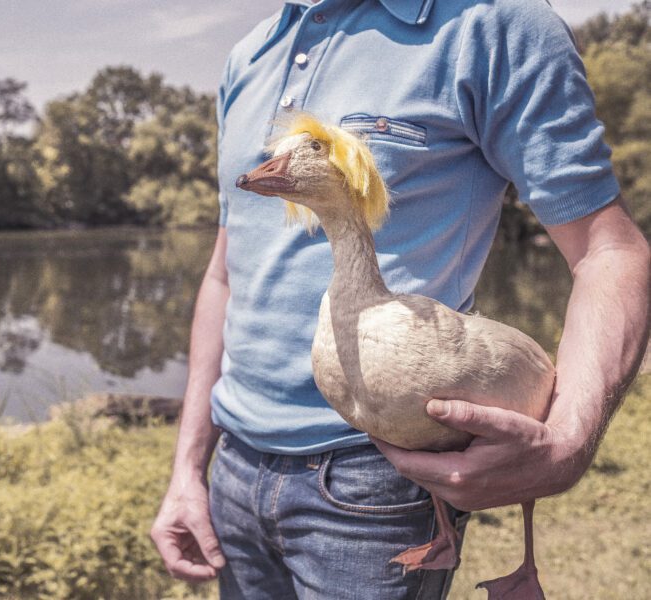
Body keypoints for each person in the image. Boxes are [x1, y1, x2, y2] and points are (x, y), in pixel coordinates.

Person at [150, 0, 651, 598]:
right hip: (235, 464)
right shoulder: (249, 53)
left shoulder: (494, 24)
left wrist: (569, 438)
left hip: (381, 475)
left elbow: (609, 252)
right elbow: (224, 278)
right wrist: (188, 468)